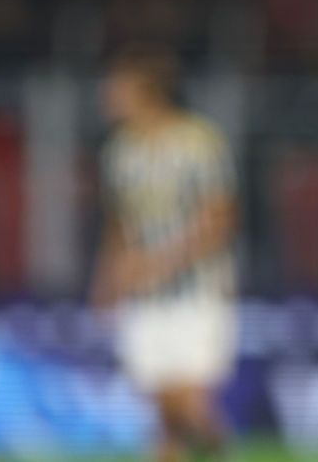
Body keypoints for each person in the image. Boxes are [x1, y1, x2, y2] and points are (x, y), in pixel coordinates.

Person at [92, 45, 238, 462]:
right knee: (163, 417)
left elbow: (222, 220)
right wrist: (106, 281)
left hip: (198, 293)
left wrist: (158, 263)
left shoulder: (197, 143)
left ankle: (219, 450)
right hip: (144, 299)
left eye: (117, 86)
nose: (108, 93)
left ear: (145, 90)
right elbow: (118, 223)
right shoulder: (118, 152)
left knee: (187, 405)